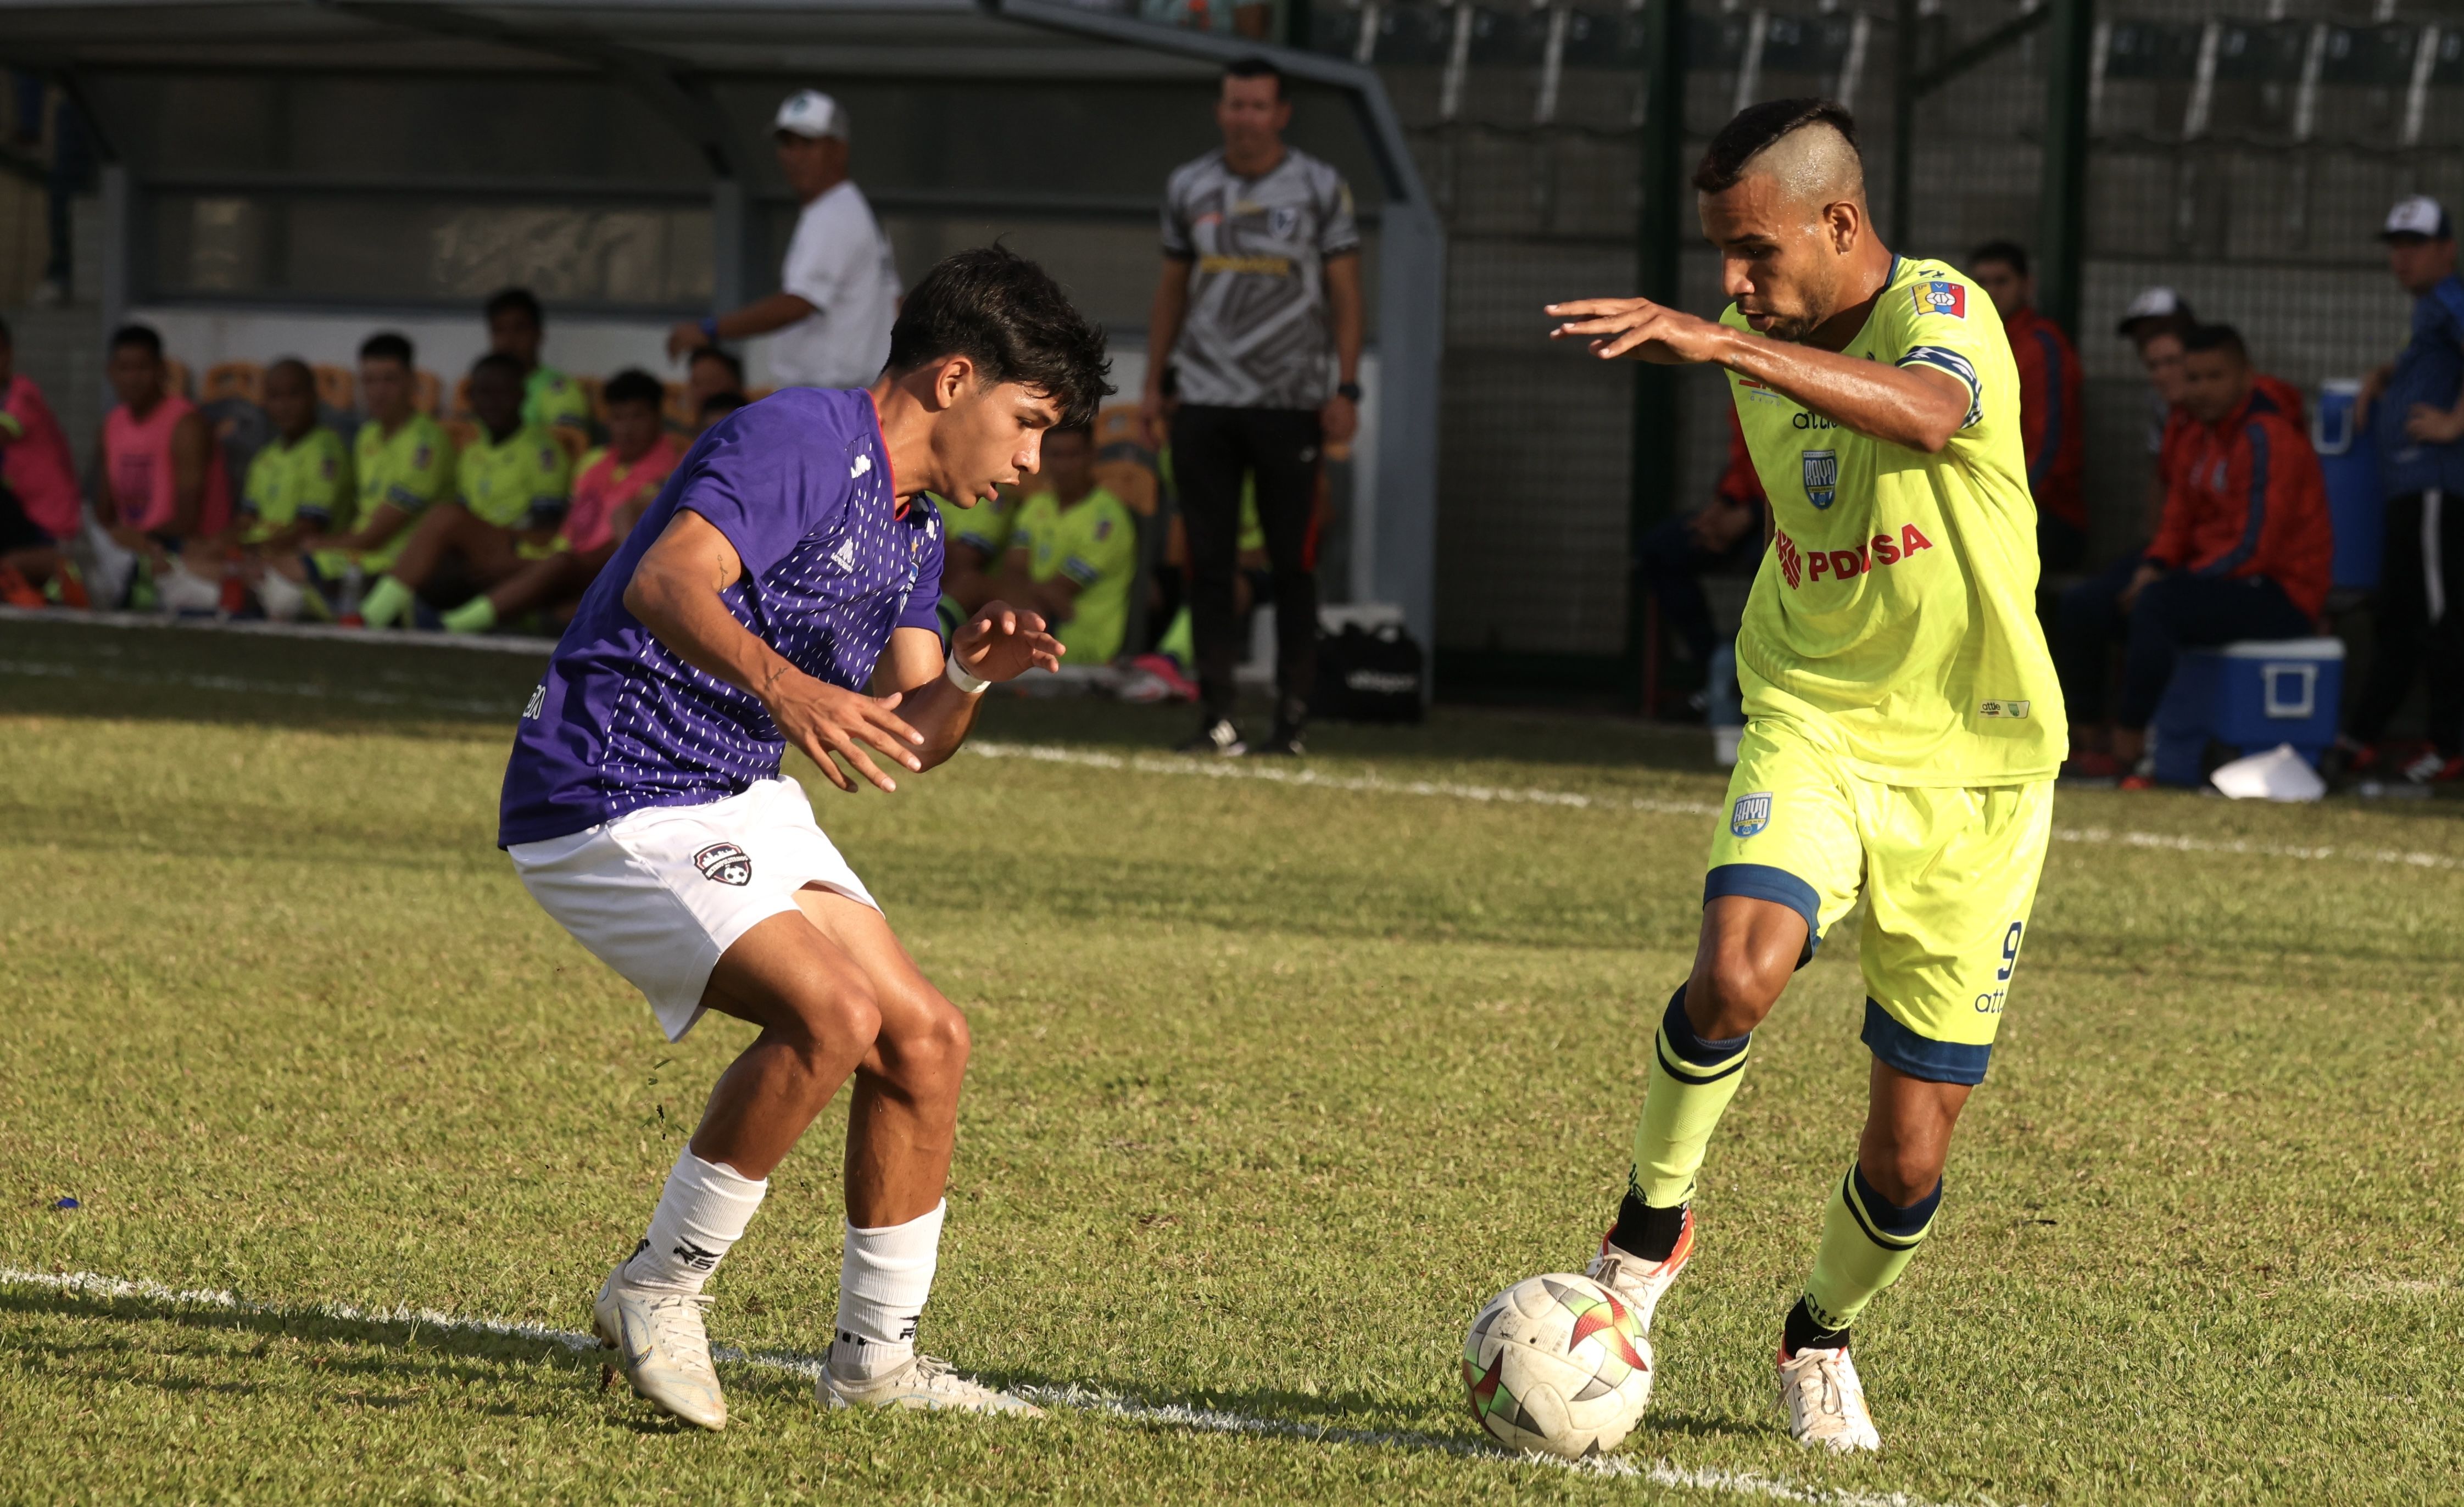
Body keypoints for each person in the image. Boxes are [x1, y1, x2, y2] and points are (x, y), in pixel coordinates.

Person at [498, 244, 1110, 1431]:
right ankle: (657, 1288)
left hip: (728, 791)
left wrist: (970, 680)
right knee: (834, 1014)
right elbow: (667, 582)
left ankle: (874, 1362)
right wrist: (788, 691)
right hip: (607, 790)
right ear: (951, 379)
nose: (1033, 461)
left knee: (926, 1038)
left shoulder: (915, 529)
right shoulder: (799, 441)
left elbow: (908, 739)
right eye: (1027, 422)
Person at [1545, 98, 2066, 1453]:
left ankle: (1815, 1337)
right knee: (1734, 972)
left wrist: (1721, 340)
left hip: (1981, 764)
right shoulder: (1760, 335)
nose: (1730, 282)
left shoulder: (1940, 306)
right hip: (1814, 712)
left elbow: (1931, 417)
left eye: (1752, 252)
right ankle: (1646, 1233)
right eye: (1717, 259)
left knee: (1910, 1153)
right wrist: (1740, 336)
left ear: (1838, 225)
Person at [1143, 55, 1364, 757]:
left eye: (1258, 106)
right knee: (1205, 563)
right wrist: (1154, 382)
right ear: (1221, 109)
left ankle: (1291, 719)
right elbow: (1171, 289)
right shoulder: (1189, 185)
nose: (1245, 118)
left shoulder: (1321, 187)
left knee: (1292, 564)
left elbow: (1346, 293)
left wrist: (1346, 386)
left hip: (1291, 401)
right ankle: (1216, 717)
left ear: (1281, 113)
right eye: (1235, 105)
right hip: (1204, 399)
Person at [2056, 326, 2331, 785]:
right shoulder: (2198, 431)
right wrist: (2154, 565)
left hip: (2281, 590)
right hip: (2218, 574)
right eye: (2195, 378)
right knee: (2086, 601)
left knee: (2158, 605)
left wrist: (2169, 582)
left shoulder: (2269, 436)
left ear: (2246, 375)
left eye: (2214, 377)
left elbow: (2254, 547)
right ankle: (2085, 738)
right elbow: (2177, 521)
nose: (2201, 389)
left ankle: (2131, 745)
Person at [667, 91, 900, 392]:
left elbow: (798, 304)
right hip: (855, 396)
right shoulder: (857, 210)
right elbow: (897, 303)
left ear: (839, 150)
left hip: (829, 397)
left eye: (808, 143)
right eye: (787, 143)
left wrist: (709, 329)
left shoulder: (832, 215)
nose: (795, 155)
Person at [2346, 195, 2464, 785]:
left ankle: (2449, 746)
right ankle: (2366, 736)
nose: (2402, 259)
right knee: (2400, 614)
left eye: (2414, 246)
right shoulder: (2430, 312)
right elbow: (2433, 362)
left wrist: (2453, 422)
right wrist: (2387, 376)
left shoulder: (2449, 299)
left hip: (2436, 488)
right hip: (2410, 490)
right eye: (2395, 247)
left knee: (2441, 619)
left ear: (2447, 249)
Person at [442, 369, 682, 635]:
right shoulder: (592, 462)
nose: (627, 429)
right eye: (618, 417)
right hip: (565, 559)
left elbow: (633, 544)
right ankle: (527, 614)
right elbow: (571, 526)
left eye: (638, 416)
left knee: (560, 565)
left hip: (605, 570)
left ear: (658, 418)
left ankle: (449, 626)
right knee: (480, 552)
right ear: (607, 421)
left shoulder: (673, 473)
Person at [356, 353, 568, 630]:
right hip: (478, 554)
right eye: (484, 393)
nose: (493, 402)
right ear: (471, 399)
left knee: (445, 517)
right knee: (436, 551)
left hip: (521, 554)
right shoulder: (471, 454)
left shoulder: (543, 453)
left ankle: (370, 617)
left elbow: (550, 534)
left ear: (521, 396)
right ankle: (427, 619)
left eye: (503, 393)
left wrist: (489, 540)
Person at [92, 323, 232, 612]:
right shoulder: (112, 425)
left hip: (184, 551)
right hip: (137, 550)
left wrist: (138, 539)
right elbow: (104, 514)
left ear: (161, 370)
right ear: (110, 372)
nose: (133, 379)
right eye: (124, 368)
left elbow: (188, 521)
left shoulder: (186, 425)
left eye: (142, 368)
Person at [1969, 241, 2086, 571]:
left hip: (2043, 512)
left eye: (2001, 281)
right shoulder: (1972, 340)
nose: (1991, 292)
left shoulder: (2041, 345)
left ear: (2027, 284)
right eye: (1981, 283)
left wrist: (2008, 505)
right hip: (1989, 504)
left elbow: (2052, 446)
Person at [325, 332, 458, 599]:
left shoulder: (427, 444)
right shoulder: (366, 436)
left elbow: (374, 537)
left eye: (389, 380)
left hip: (398, 569)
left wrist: (317, 547)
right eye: (369, 381)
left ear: (412, 382)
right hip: (357, 558)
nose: (378, 391)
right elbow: (362, 521)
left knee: (287, 577)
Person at [995, 422, 1139, 665]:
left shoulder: (1108, 520)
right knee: (989, 595)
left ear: (1092, 456)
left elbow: (1060, 593)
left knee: (977, 587)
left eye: (1074, 455)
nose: (1064, 466)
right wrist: (1041, 592)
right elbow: (1012, 571)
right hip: (1041, 616)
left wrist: (1033, 590)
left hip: (1080, 638)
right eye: (1056, 455)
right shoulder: (1036, 506)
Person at [231, 358, 351, 621]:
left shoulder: (325, 450)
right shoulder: (265, 457)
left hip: (303, 560)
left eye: (293, 395)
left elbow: (308, 529)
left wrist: (257, 552)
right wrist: (227, 545)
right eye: (275, 397)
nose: (284, 406)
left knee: (279, 594)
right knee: (193, 564)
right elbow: (246, 521)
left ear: (313, 397)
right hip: (261, 557)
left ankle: (314, 605)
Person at [0, 315, 85, 605]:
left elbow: (5, 432)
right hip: (25, 520)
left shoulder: (23, 394)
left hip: (50, 528)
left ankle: (48, 581)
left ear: (8, 353)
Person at [486, 287, 592, 436]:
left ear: (539, 334)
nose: (508, 340)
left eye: (519, 329)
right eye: (499, 330)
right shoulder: (483, 389)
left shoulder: (559, 388)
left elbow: (567, 443)